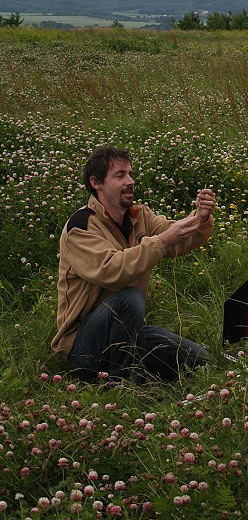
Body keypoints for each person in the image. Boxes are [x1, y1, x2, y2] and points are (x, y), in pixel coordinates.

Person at [51, 145, 216, 383]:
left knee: (198, 359)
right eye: (120, 175)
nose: (130, 181)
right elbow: (112, 270)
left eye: (130, 174)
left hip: (129, 331)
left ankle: (134, 369)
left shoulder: (139, 215)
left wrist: (200, 219)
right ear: (96, 183)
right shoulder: (81, 226)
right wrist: (161, 242)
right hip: (84, 345)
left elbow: (176, 239)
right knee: (129, 298)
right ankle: (122, 384)